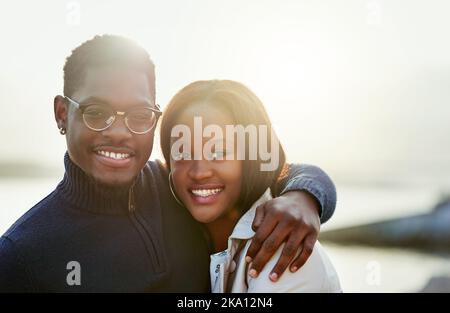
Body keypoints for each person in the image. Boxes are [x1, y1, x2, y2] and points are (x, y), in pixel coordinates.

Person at [0, 35, 337, 292]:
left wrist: (304, 196)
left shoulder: (175, 188)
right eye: (97, 113)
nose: (119, 133)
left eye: (139, 115)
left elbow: (267, 173)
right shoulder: (20, 255)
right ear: (62, 113)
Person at [160, 79, 341, 292]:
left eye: (219, 152)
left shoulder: (285, 249)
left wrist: (305, 195)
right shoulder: (184, 227)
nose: (200, 172)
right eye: (182, 153)